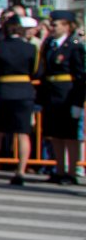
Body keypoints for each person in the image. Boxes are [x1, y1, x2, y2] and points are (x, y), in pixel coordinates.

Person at [0, 16, 39, 186]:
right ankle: (20, 171)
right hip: (24, 92)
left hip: (4, 92)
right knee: (23, 133)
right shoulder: (31, 48)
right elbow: (36, 71)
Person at [37, 11, 82, 183]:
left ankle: (71, 172)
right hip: (52, 94)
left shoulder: (74, 45)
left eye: (56, 25)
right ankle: (59, 169)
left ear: (67, 26)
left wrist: (78, 102)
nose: (52, 28)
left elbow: (80, 76)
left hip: (67, 94)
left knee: (69, 135)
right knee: (54, 134)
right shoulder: (49, 44)